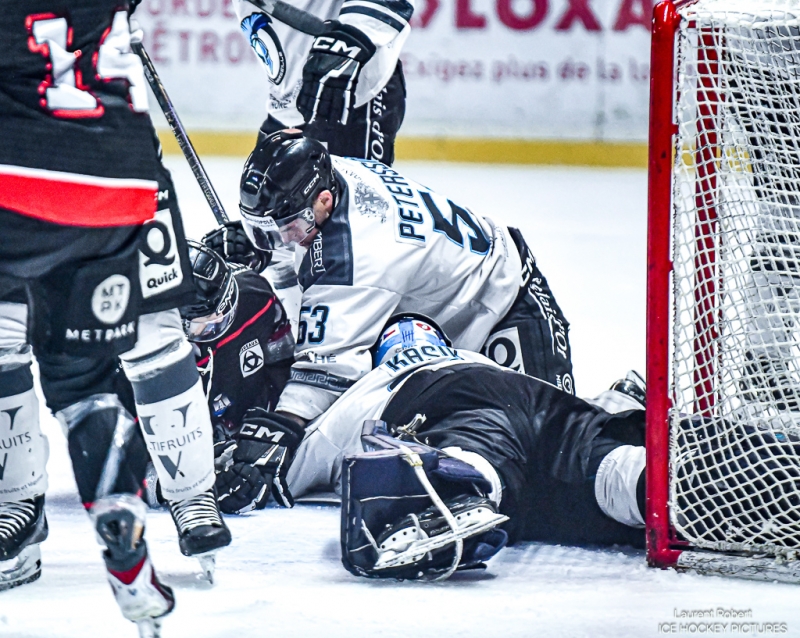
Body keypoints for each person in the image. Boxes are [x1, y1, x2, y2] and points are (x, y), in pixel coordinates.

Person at [0, 2, 228, 634]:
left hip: (16, 180)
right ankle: (121, 526)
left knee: (6, 346)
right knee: (87, 379)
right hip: (125, 182)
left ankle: (188, 495)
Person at [225, 315, 646, 580]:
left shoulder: (368, 386)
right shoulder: (472, 356)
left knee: (481, 447)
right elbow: (571, 409)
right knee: (606, 470)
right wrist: (621, 404)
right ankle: (670, 479)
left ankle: (465, 487)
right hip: (539, 398)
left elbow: (289, 467)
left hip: (450, 403)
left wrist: (244, 468)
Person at [237, 129, 574, 429]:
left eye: (286, 229)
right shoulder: (330, 171)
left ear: (323, 201)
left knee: (549, 442)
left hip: (508, 301)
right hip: (455, 297)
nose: (282, 242)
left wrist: (277, 432)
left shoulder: (357, 255)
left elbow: (326, 374)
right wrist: (251, 244)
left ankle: (623, 400)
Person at [174, 240, 295, 514]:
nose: (216, 322)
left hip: (250, 420)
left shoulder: (255, 296)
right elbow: (122, 465)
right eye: (201, 325)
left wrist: (276, 425)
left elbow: (285, 365)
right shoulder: (134, 353)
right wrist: (193, 481)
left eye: (221, 315)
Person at [235, 0, 413, 165]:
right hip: (285, 103)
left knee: (352, 198)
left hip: (352, 94)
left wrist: (356, 35)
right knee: (265, 196)